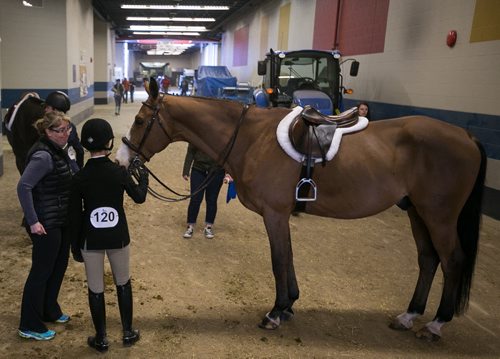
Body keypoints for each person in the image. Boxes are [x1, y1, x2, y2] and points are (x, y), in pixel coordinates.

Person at [70, 118, 148, 352]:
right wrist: (142, 177)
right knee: (123, 282)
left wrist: (75, 247)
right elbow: (139, 197)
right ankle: (127, 332)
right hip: (117, 237)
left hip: (90, 238)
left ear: (85, 145)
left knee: (95, 287)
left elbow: (73, 216)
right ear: (109, 143)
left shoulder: (79, 178)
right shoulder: (119, 172)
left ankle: (101, 338)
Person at [17, 110, 76, 341]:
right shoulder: (43, 156)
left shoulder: (59, 151)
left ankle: (49, 309)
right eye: (60, 131)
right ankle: (29, 323)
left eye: (68, 130)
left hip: (59, 219)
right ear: (48, 132)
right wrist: (33, 221)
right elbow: (24, 187)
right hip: (44, 224)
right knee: (41, 273)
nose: (66, 134)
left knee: (58, 266)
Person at [182, 144, 225, 239]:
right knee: (195, 199)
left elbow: (229, 153)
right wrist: (186, 170)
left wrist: (229, 173)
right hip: (198, 169)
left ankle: (208, 227)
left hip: (217, 171)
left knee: (212, 200)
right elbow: (191, 151)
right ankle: (190, 226)